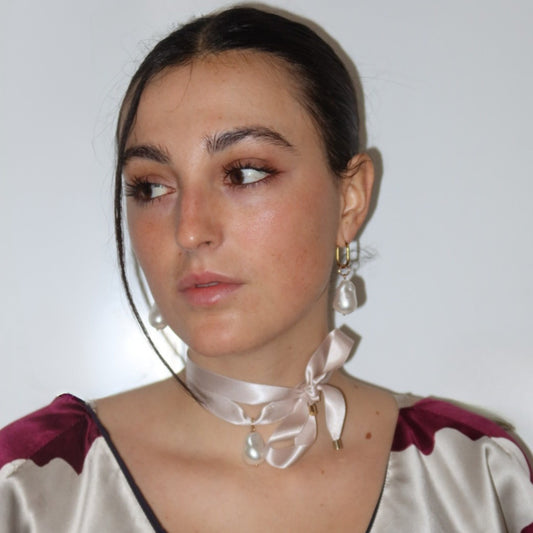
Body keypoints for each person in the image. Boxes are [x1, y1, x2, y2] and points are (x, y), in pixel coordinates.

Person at [1, 6, 532, 532]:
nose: (189, 230)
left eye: (245, 173)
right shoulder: (31, 490)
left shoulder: (481, 482)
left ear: (349, 201)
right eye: (152, 186)